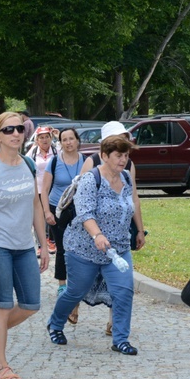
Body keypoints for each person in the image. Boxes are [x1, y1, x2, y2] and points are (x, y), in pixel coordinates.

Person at [0, 112, 48, 379]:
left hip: (24, 245)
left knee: (31, 304)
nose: (16, 133)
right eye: (8, 130)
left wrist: (43, 244)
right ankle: (0, 366)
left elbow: (36, 206)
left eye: (19, 128)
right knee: (3, 304)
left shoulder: (29, 165)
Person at [47, 135, 140, 356]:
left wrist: (136, 232)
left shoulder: (126, 177)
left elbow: (130, 206)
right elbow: (85, 212)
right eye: (118, 155)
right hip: (84, 248)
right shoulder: (91, 179)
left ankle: (120, 339)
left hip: (117, 249)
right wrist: (97, 234)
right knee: (75, 291)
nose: (123, 160)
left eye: (126, 155)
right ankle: (55, 323)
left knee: (124, 292)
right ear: (104, 156)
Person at [73, 121, 146, 332]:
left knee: (121, 283)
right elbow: (82, 198)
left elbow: (133, 198)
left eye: (125, 137)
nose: (124, 143)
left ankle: (114, 324)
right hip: (92, 236)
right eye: (119, 137)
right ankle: (72, 304)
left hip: (118, 235)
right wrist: (95, 232)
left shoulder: (128, 165)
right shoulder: (92, 162)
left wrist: (139, 229)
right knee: (84, 279)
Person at [42, 127, 84, 300]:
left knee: (80, 247)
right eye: (64, 140)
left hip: (80, 210)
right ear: (60, 143)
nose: (68, 142)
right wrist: (46, 212)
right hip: (57, 208)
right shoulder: (53, 162)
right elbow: (44, 190)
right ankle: (62, 284)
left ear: (77, 141)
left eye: (71, 139)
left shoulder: (86, 161)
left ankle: (79, 282)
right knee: (62, 247)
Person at [27, 126, 58, 255]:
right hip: (38, 189)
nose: (44, 140)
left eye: (47, 137)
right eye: (41, 138)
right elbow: (26, 164)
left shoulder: (57, 150)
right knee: (39, 216)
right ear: (37, 140)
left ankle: (51, 240)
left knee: (52, 214)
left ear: (51, 138)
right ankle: (41, 243)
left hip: (52, 188)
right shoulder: (33, 152)